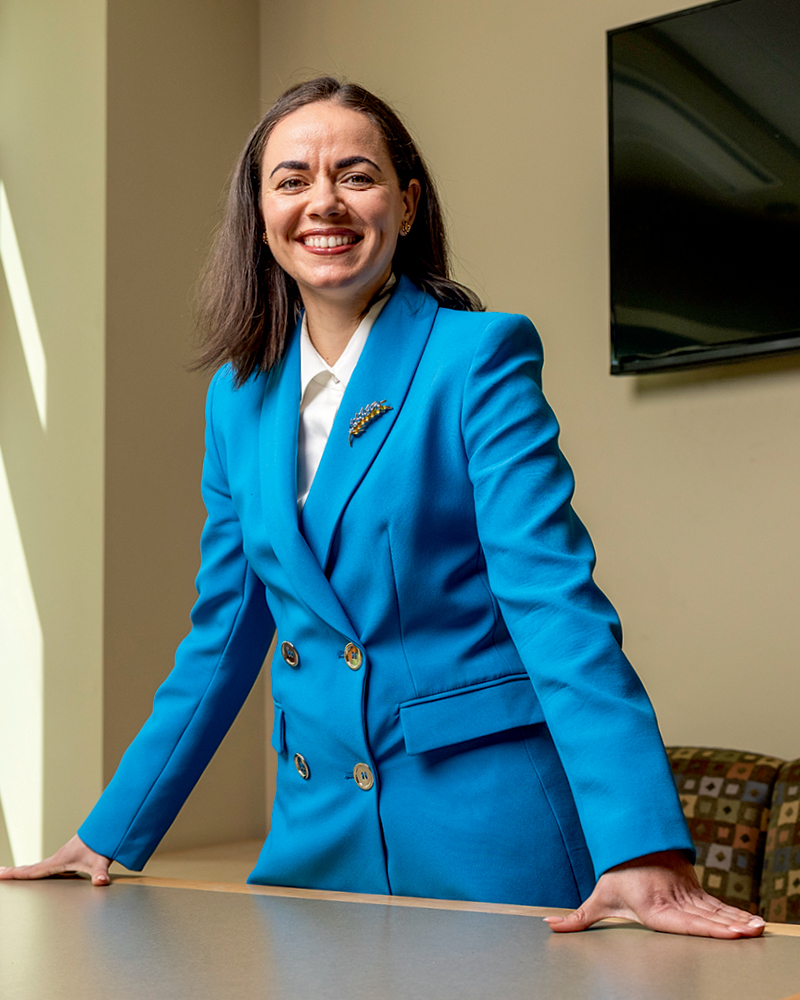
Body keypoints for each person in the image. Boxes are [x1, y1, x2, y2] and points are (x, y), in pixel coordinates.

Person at [0, 77, 764, 939]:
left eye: (356, 176)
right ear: (260, 217)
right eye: (291, 180)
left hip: (488, 829)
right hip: (316, 839)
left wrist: (640, 846)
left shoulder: (478, 357)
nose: (323, 202)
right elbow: (223, 634)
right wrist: (108, 832)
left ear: (405, 204)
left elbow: (553, 602)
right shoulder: (236, 400)